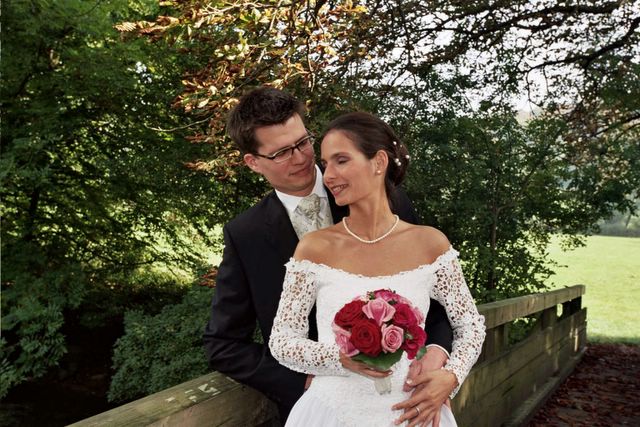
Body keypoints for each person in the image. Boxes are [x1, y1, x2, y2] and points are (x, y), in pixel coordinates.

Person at [203, 87, 456, 424]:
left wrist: (441, 359)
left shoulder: (387, 199)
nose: (300, 158)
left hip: (409, 404)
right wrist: (302, 380)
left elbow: (438, 305)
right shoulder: (245, 235)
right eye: (282, 153)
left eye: (303, 142)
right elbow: (223, 343)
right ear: (253, 162)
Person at [268, 111, 486, 426]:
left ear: (379, 162)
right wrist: (339, 359)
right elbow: (282, 340)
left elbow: (471, 326)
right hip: (330, 414)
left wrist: (451, 377)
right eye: (326, 163)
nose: (328, 176)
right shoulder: (314, 248)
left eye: (341, 160)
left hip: (414, 412)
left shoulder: (430, 243)